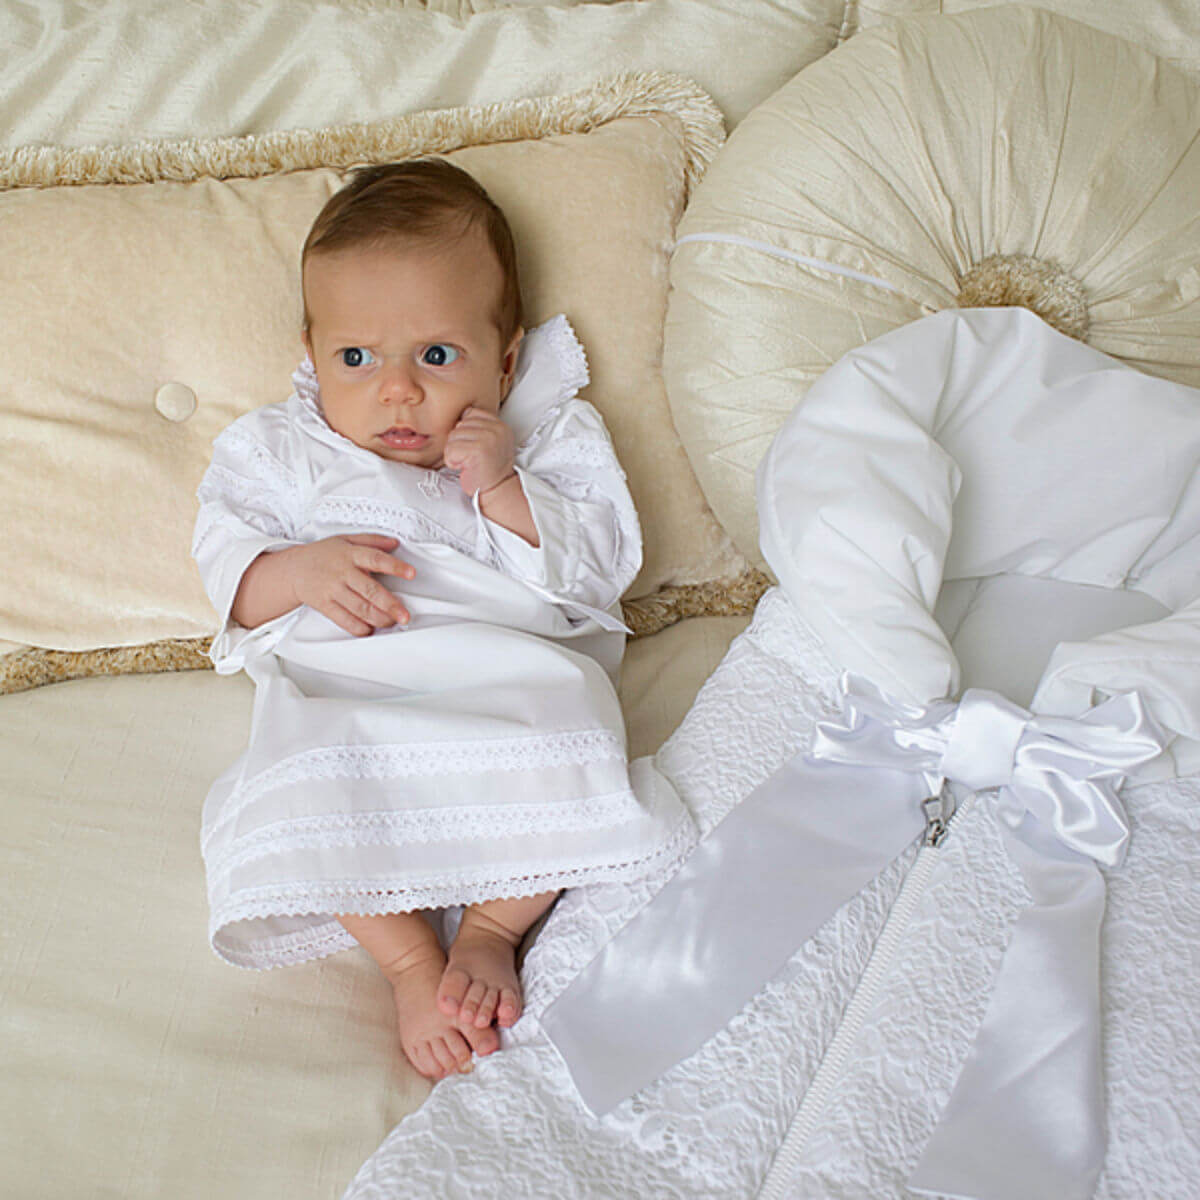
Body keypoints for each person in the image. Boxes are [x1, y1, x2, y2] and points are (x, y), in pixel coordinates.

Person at [192, 159, 690, 1083]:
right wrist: (296, 570)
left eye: (436, 356)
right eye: (356, 358)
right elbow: (227, 575)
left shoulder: (548, 436)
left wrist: (502, 485)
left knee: (571, 734)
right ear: (312, 351)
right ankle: (409, 961)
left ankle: (494, 929)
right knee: (300, 784)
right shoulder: (282, 453)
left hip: (508, 678)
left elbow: (597, 568)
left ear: (504, 360)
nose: (396, 391)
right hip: (351, 690)